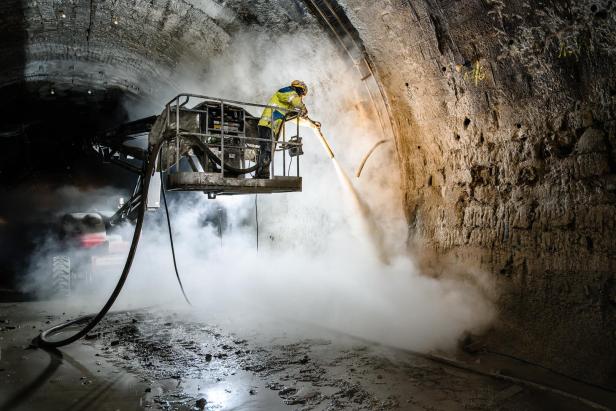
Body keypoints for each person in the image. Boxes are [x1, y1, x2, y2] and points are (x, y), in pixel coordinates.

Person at [256, 80, 308, 178]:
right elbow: (295, 100)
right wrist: (303, 108)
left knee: (268, 150)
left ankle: (261, 173)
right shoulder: (286, 91)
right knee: (267, 150)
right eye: (301, 93)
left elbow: (287, 115)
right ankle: (262, 174)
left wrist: (311, 122)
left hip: (271, 127)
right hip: (268, 124)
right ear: (298, 88)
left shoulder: (287, 101)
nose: (301, 96)